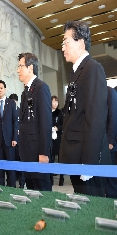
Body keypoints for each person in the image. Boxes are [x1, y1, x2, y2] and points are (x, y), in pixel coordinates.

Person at [59, 21, 111, 197]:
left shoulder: (92, 69)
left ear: (80, 43)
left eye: (66, 42)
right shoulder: (77, 72)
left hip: (87, 160)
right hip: (77, 157)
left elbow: (95, 119)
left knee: (93, 212)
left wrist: (89, 164)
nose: (63, 47)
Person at [17, 52, 52, 191]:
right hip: (26, 152)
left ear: (30, 67)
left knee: (42, 190)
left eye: (20, 66)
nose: (18, 70)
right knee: (32, 190)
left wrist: (44, 152)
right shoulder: (25, 92)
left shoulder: (41, 87)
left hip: (37, 153)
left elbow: (45, 122)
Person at [0, 80, 18, 187]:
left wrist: (15, 138)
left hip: (10, 141)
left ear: (5, 89)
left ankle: (11, 188)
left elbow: (15, 121)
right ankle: (1, 188)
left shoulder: (11, 103)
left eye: (1, 88)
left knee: (10, 167)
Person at [9, 93, 25, 188]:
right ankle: (13, 181)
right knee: (12, 161)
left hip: (20, 141)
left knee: (20, 161)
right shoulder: (8, 112)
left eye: (14, 102)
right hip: (10, 141)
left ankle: (22, 182)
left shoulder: (21, 111)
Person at [105, 86, 117, 198]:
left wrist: (110, 141)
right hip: (109, 140)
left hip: (111, 142)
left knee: (111, 176)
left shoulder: (111, 92)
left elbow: (113, 118)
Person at [51, 95, 64, 186]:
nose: (55, 103)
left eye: (56, 102)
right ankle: (50, 178)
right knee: (51, 159)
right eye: (53, 101)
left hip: (58, 138)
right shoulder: (47, 112)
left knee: (60, 159)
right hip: (50, 138)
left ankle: (61, 178)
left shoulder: (60, 113)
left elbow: (63, 125)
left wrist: (57, 128)